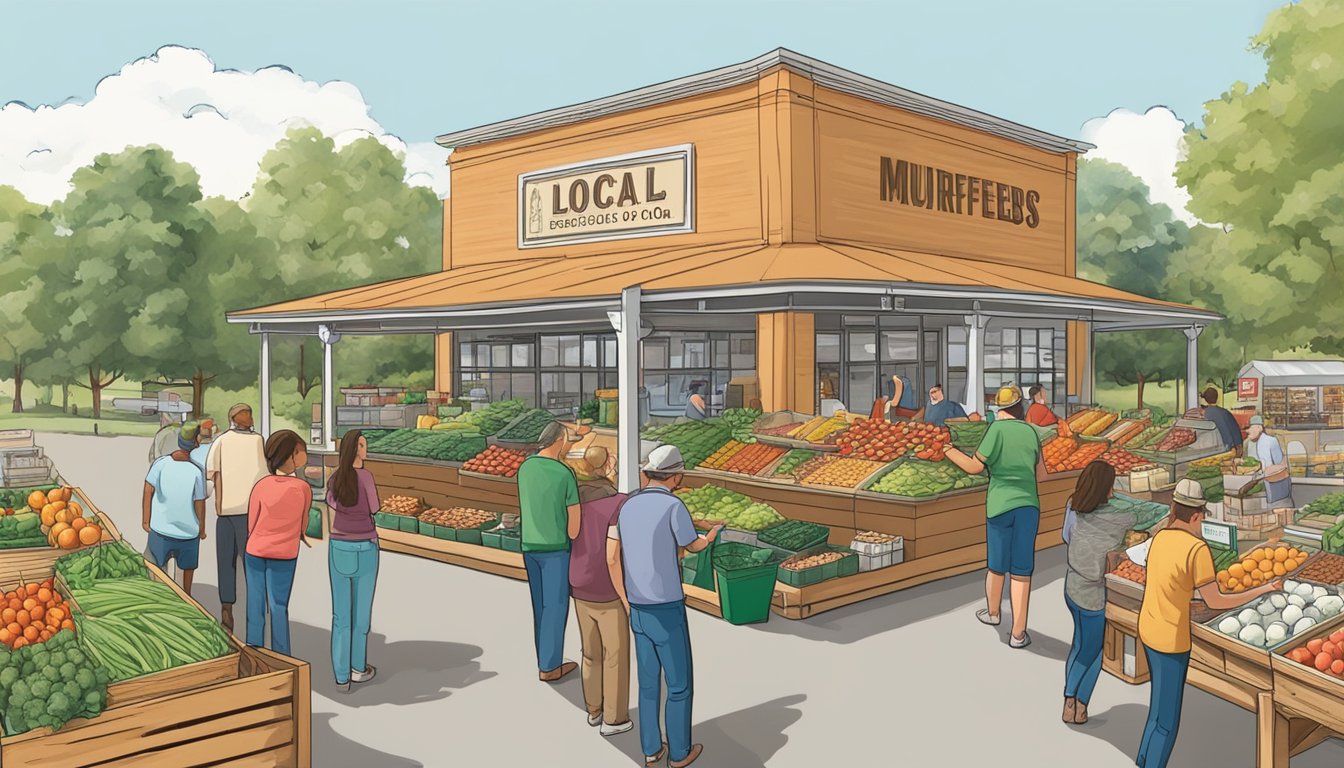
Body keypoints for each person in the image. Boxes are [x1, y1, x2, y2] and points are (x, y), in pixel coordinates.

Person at [1136, 479, 1280, 768]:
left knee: (1156, 710)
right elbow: (1216, 601)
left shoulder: (1160, 538)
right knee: (1167, 719)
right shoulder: (1196, 548)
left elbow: (1172, 583)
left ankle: (1143, 760)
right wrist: (1262, 590)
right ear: (1197, 515)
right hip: (1170, 639)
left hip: (1149, 628)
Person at [606, 445, 722, 768]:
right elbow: (691, 544)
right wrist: (709, 537)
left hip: (638, 607)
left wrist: (627, 602)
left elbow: (616, 555)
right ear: (676, 476)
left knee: (647, 684)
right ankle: (680, 753)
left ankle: (651, 750)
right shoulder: (673, 506)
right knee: (679, 684)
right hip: (667, 608)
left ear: (649, 473)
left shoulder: (627, 506)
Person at [944, 383, 1043, 648]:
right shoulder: (1031, 432)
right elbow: (1042, 474)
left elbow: (975, 467)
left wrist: (949, 451)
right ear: (1020, 408)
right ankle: (1018, 634)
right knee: (1022, 571)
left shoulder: (996, 429)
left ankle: (994, 613)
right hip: (1028, 506)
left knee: (997, 564)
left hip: (999, 504)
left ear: (1000, 410)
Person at [1060, 460, 1143, 725]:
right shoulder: (1119, 517)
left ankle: (1068, 701)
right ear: (1107, 488)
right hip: (1094, 595)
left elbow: (1066, 536)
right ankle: (1079, 705)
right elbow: (1146, 518)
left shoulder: (1074, 504)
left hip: (1072, 586)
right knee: (1093, 652)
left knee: (1078, 645)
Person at [568, 461, 632, 736]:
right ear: (608, 468)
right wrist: (626, 598)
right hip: (607, 588)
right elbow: (613, 555)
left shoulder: (575, 503)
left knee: (591, 653)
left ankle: (594, 710)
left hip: (579, 582)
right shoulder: (619, 503)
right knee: (615, 655)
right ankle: (614, 719)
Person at [517, 421, 583, 683]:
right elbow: (574, 529)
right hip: (556, 549)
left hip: (529, 546)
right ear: (558, 441)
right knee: (555, 607)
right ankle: (550, 666)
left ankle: (543, 658)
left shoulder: (526, 467)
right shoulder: (564, 473)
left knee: (540, 607)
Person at [245, 430, 312, 656]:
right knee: (278, 607)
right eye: (302, 450)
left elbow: (251, 522)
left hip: (255, 551)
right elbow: (303, 525)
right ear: (292, 454)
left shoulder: (261, 485)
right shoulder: (302, 489)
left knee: (255, 605)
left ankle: (254, 653)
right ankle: (282, 658)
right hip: (284, 555)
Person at [205, 404, 268, 633]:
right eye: (245, 414)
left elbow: (210, 471)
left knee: (235, 562)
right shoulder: (228, 441)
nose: (250, 418)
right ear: (234, 417)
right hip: (238, 513)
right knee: (240, 562)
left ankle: (241, 607)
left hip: (240, 512)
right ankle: (227, 607)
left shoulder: (251, 440)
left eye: (251, 414)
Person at [325, 430, 380, 692]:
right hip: (366, 546)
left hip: (339, 546)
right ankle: (358, 668)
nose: (365, 449)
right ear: (355, 449)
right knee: (361, 614)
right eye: (362, 445)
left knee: (340, 615)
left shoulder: (335, 478)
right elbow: (374, 507)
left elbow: (332, 503)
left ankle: (341, 677)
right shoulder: (366, 477)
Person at [142, 423, 207, 595]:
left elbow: (148, 490)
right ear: (195, 443)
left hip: (160, 529)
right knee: (186, 570)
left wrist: (146, 519)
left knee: (156, 568)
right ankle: (187, 598)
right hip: (188, 534)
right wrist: (201, 529)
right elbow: (199, 503)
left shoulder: (160, 464)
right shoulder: (197, 471)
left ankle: (159, 599)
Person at [1245, 415, 1293, 507]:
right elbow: (1248, 462)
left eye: (1251, 428)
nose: (1248, 431)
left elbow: (1279, 462)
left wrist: (1265, 468)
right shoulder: (1248, 443)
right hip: (1253, 483)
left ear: (1259, 428)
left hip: (1271, 483)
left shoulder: (1271, 441)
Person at [1201, 388, 1243, 455]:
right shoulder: (1225, 413)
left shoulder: (1204, 414)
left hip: (1211, 450)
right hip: (1228, 448)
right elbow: (1235, 432)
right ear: (1217, 398)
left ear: (1205, 400)